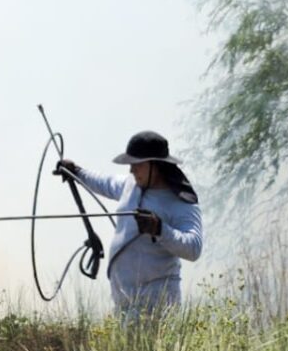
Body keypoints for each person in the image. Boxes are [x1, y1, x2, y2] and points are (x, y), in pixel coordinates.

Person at [57, 131, 202, 322]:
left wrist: (159, 229)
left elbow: (193, 248)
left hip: (158, 304)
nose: (132, 170)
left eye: (137, 165)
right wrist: (76, 172)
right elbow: (105, 183)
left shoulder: (180, 203)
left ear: (156, 165)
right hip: (124, 301)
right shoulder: (131, 185)